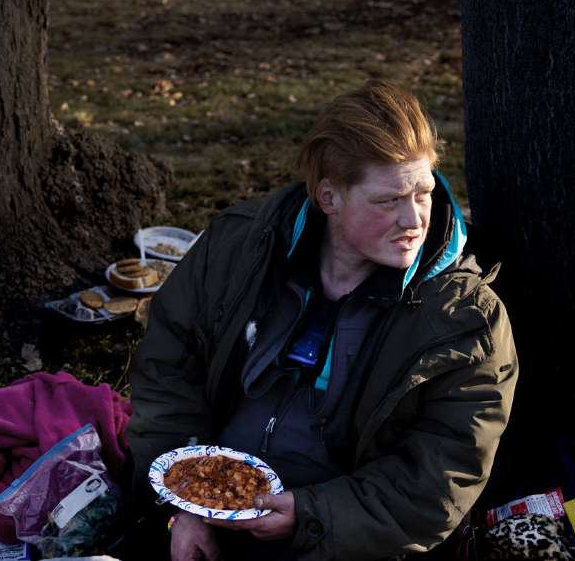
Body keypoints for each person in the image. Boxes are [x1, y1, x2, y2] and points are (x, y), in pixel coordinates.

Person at [127, 80, 518, 561]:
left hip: (346, 537)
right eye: (388, 200)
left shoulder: (464, 322)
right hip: (204, 503)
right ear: (329, 198)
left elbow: (439, 479)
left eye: (424, 192)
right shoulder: (240, 248)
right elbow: (167, 374)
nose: (413, 219)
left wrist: (312, 517)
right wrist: (180, 506)